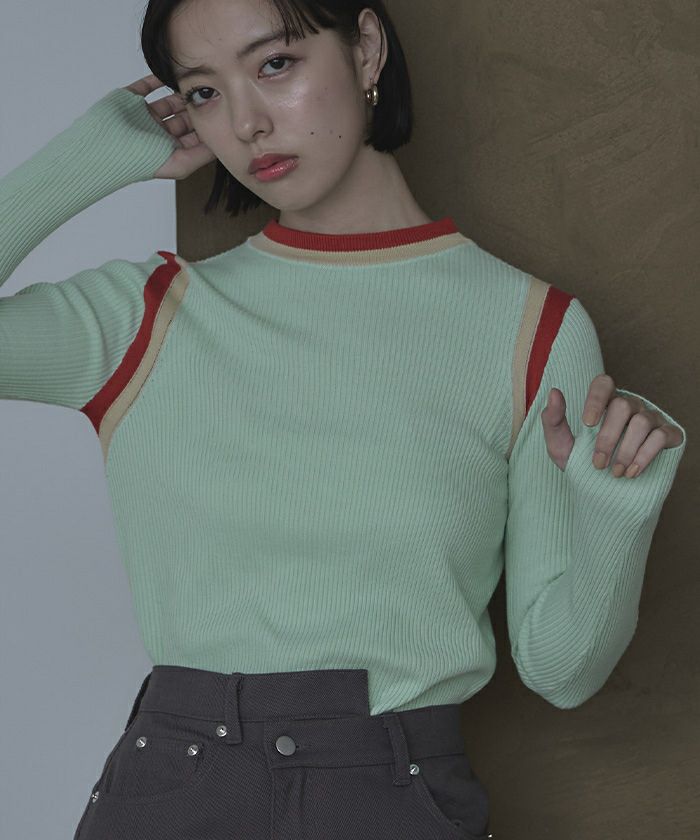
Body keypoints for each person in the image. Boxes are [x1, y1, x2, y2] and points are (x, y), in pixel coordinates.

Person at [0, 1, 687, 838]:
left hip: (394, 798)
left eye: (275, 64)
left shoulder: (530, 327)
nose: (247, 123)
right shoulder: (145, 317)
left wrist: (615, 509)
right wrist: (87, 159)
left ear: (365, 49)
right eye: (205, 91)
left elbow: (562, 669)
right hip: (173, 794)